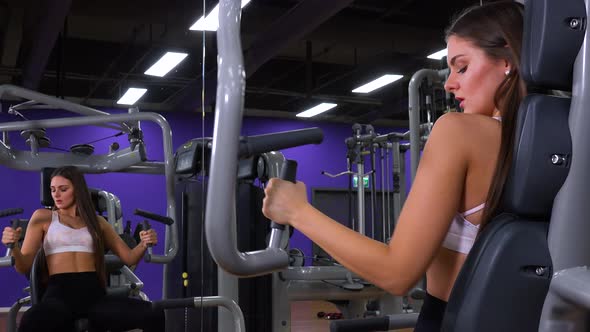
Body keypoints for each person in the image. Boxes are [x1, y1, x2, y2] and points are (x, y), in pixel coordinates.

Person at [261, 1, 525, 331]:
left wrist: (296, 210)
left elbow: (396, 274)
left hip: (453, 319)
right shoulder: (556, 140)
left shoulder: (459, 131)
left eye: (462, 67)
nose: (448, 84)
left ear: (506, 61)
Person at [1, 166, 165, 332]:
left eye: (63, 189)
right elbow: (24, 266)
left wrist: (144, 243)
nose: (56, 195)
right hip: (59, 295)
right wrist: (13, 246)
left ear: (77, 190)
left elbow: (129, 258)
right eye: (52, 190)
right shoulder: (43, 217)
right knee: (31, 321)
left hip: (94, 296)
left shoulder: (98, 222)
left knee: (154, 313)